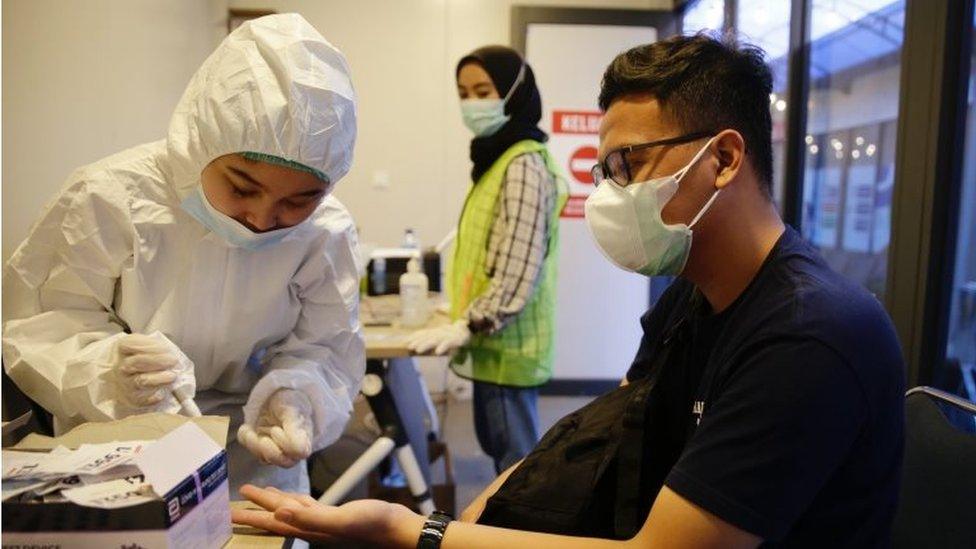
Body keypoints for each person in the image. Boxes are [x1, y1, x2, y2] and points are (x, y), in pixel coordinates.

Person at [232, 34, 905, 547]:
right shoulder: (694, 293)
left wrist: (414, 530)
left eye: (629, 165)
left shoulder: (808, 334)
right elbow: (617, 417)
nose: (611, 191)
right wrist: (497, 498)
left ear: (724, 159)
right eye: (606, 168)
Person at [1, 13, 364, 495]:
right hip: (121, 451)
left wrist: (297, 397)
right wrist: (110, 373)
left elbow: (327, 347)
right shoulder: (109, 196)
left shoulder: (325, 232)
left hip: (254, 461)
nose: (260, 217)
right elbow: (43, 324)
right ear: (201, 144)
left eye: (299, 200)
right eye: (241, 186)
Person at [406, 46, 568, 473]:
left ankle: (519, 534)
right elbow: (489, 250)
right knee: (503, 452)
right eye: (463, 93)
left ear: (514, 92)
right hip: (494, 339)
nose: (471, 104)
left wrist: (472, 321)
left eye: (483, 90)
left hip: (505, 344)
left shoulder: (522, 165)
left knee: (515, 466)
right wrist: (458, 309)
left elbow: (518, 265)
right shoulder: (497, 160)